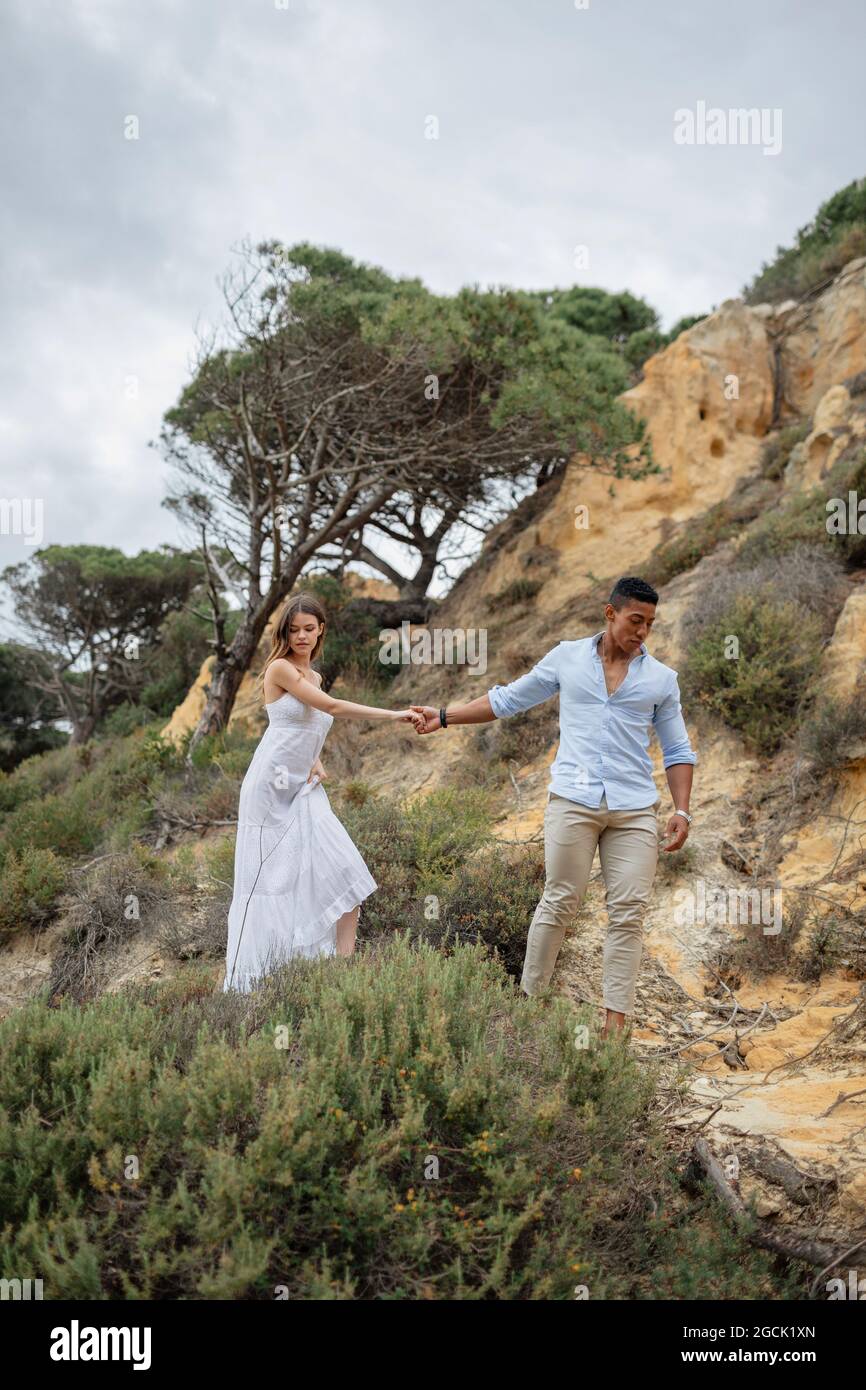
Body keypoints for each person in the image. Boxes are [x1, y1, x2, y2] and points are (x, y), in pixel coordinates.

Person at [411, 576, 697, 1038]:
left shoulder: (662, 681)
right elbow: (508, 699)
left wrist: (682, 810)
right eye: (635, 620)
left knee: (628, 912)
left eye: (649, 624)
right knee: (560, 900)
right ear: (610, 614)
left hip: (633, 810)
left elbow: (679, 750)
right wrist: (444, 717)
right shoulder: (567, 656)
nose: (642, 632)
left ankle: (614, 1025)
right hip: (573, 802)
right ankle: (529, 1006)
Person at [223, 592, 424, 993]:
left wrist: (313, 759)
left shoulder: (312, 676)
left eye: (309, 629)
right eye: (294, 630)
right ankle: (260, 981)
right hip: (269, 789)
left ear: (321, 631)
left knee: (345, 873)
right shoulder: (279, 669)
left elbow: (302, 726)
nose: (302, 636)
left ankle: (340, 973)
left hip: (303, 787)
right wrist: (394, 713)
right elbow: (329, 709)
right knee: (271, 883)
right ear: (285, 632)